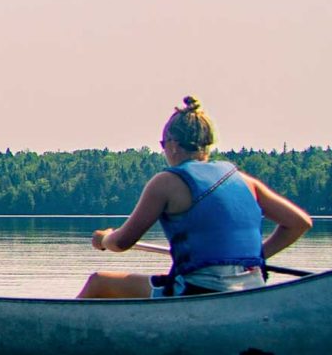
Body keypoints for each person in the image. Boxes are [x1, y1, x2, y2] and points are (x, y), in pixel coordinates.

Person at [78, 97, 311, 299]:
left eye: (162, 145)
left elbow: (122, 242)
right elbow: (299, 223)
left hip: (198, 291)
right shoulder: (244, 180)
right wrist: (254, 257)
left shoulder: (165, 183)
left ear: (173, 144)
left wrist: (104, 239)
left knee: (99, 282)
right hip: (252, 287)